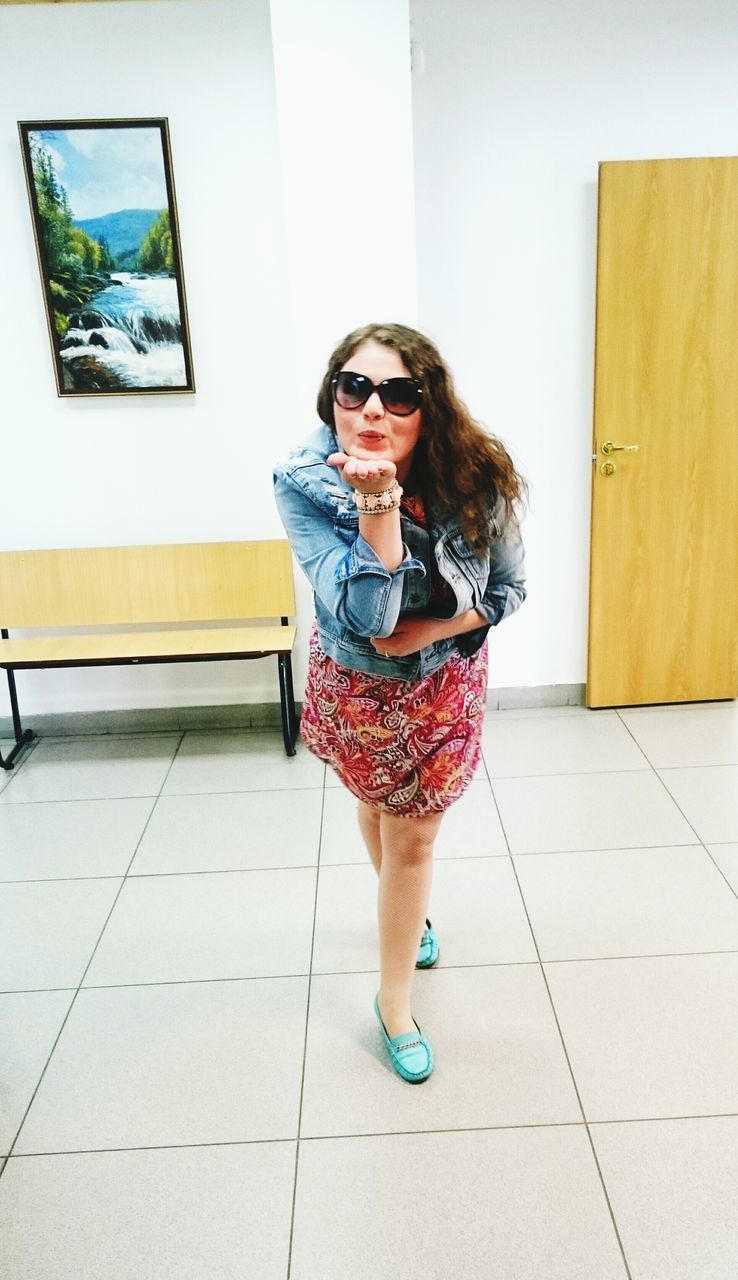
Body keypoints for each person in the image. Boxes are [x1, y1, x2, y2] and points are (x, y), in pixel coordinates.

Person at [273, 322, 526, 1084]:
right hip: (355, 690)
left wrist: (436, 627)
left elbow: (509, 591)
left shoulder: (478, 474)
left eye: (398, 392)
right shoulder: (303, 483)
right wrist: (378, 499)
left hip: (444, 685)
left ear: (430, 406)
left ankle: (393, 1005)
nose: (372, 409)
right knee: (378, 803)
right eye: (355, 388)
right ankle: (405, 913)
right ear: (333, 397)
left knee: (414, 840)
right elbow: (368, 618)